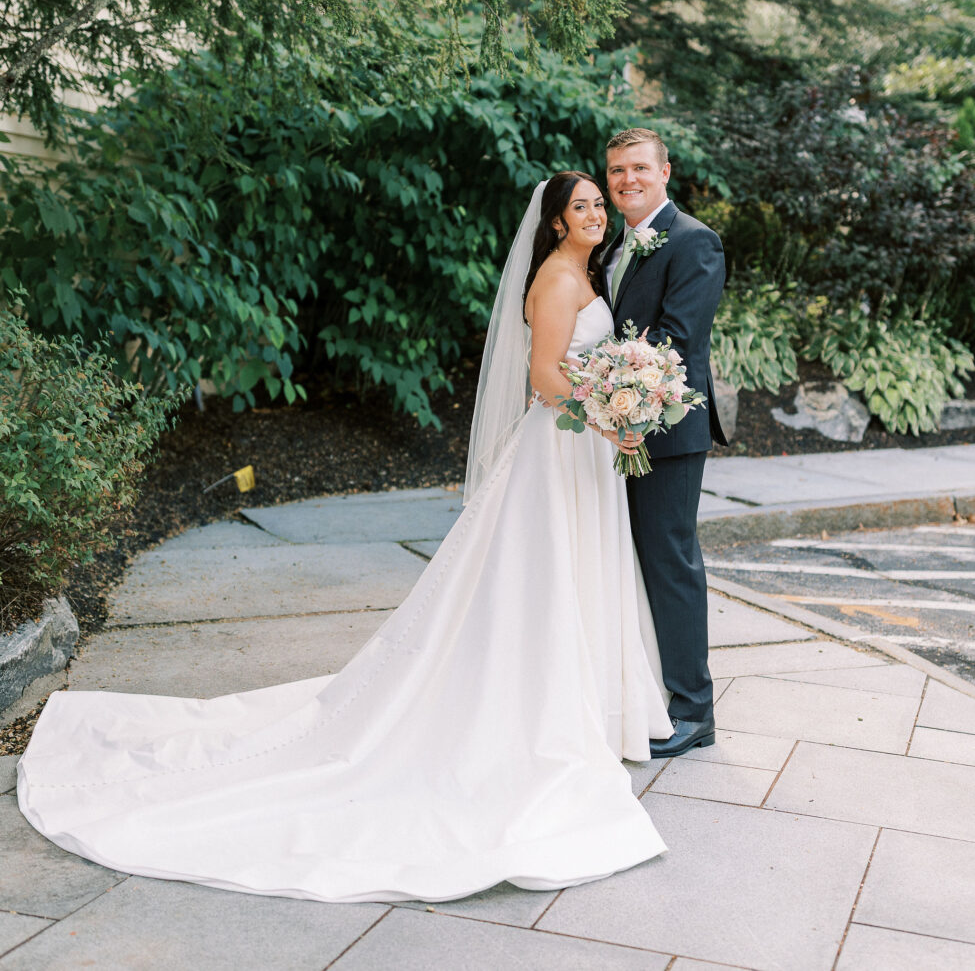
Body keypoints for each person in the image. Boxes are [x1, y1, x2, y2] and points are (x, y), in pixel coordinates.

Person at [18, 173, 674, 906]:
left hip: (580, 449)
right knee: (543, 580)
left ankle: (588, 701)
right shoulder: (555, 280)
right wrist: (609, 411)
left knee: (574, 575)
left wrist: (621, 399)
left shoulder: (586, 273)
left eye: (596, 204)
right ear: (554, 222)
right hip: (559, 449)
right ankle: (542, 708)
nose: (594, 213)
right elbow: (545, 378)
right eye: (580, 206)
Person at [603, 128, 727, 759]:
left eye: (639, 168)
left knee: (670, 562)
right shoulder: (611, 244)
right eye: (617, 170)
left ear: (665, 172)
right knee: (621, 561)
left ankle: (694, 709)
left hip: (667, 433)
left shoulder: (693, 241)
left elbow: (675, 342)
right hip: (610, 427)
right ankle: (640, 694)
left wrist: (621, 397)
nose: (627, 179)